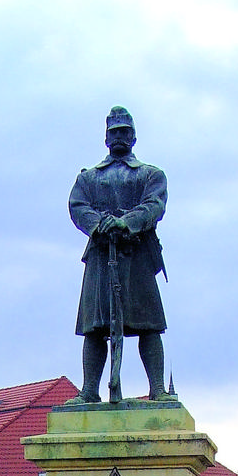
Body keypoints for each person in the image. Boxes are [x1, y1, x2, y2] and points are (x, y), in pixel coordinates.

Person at [69, 106, 170, 403]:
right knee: (95, 327)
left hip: (136, 254)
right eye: (114, 132)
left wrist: (126, 222)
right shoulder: (88, 178)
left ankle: (158, 389)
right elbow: (77, 206)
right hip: (102, 256)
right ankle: (89, 391)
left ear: (134, 136)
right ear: (105, 138)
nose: (120, 137)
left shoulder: (151, 174)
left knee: (149, 325)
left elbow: (154, 206)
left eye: (125, 131)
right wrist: (100, 225)